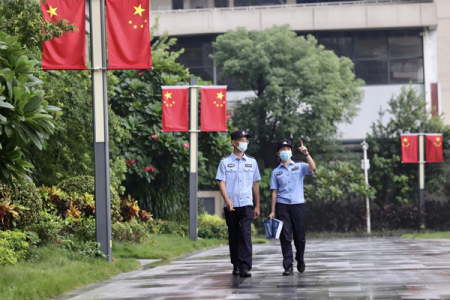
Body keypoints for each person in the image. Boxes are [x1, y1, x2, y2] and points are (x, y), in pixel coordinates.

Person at [216, 130, 261, 277]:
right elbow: (221, 182)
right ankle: (235, 263)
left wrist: (257, 205)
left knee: (245, 233)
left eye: (246, 140)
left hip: (247, 203)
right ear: (233, 142)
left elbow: (255, 184)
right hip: (231, 205)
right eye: (242, 140)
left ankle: (245, 266)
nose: (244, 143)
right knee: (234, 234)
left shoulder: (252, 162)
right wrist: (227, 200)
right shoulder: (225, 162)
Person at [268, 139, 316, 276]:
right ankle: (288, 266)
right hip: (282, 205)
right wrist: (272, 211)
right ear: (278, 153)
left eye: (288, 149)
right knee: (285, 236)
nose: (285, 152)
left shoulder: (299, 166)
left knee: (300, 237)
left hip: (298, 204)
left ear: (291, 152)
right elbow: (274, 192)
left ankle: (300, 259)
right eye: (282, 150)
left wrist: (306, 153)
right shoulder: (276, 172)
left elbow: (312, 167)